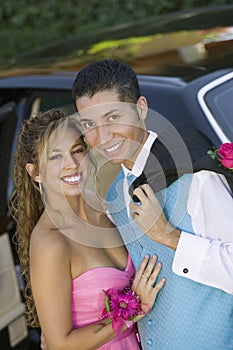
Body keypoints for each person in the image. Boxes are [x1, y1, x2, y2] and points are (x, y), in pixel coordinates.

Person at [72, 59, 233, 350]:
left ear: (141, 108)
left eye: (112, 117)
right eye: (89, 124)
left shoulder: (197, 177)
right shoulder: (113, 197)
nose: (102, 137)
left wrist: (169, 236)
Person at [8, 109, 165, 350]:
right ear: (35, 172)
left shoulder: (107, 213)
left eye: (77, 151)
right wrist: (131, 311)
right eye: (55, 157)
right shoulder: (51, 243)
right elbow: (60, 343)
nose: (71, 165)